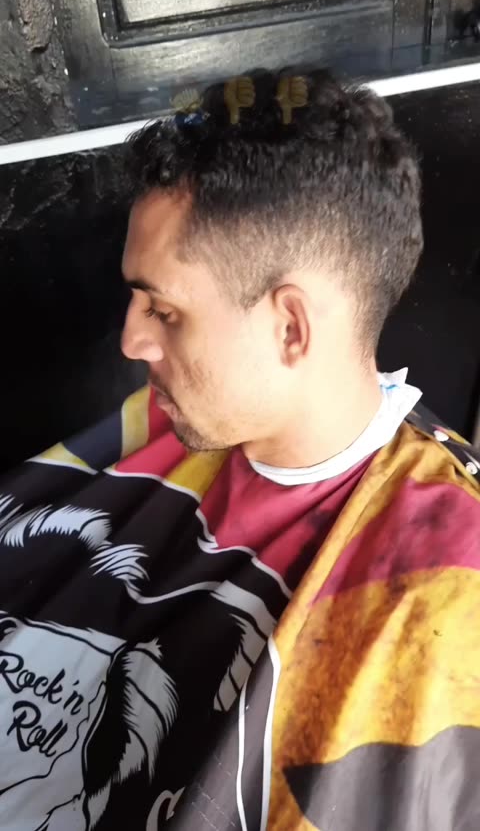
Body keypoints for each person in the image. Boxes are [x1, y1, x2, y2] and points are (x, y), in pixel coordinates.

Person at [0, 70, 479, 831]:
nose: (132, 340)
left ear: (291, 328)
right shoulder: (166, 422)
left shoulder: (446, 586)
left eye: (163, 310)